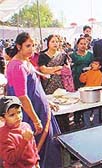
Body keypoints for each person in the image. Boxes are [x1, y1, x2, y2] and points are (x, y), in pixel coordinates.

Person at [6, 32, 62, 168]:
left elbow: (35, 88)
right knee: (37, 151)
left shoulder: (26, 61)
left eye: (34, 45)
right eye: (28, 46)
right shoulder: (17, 66)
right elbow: (22, 96)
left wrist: (47, 102)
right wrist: (36, 121)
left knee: (51, 147)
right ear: (19, 46)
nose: (32, 49)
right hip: (31, 116)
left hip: (41, 110)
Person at [0, 96, 39, 168]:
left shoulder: (26, 126)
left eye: (19, 112)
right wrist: (24, 141)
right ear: (2, 118)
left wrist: (36, 161)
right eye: (12, 115)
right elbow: (11, 159)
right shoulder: (4, 135)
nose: (18, 117)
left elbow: (33, 146)